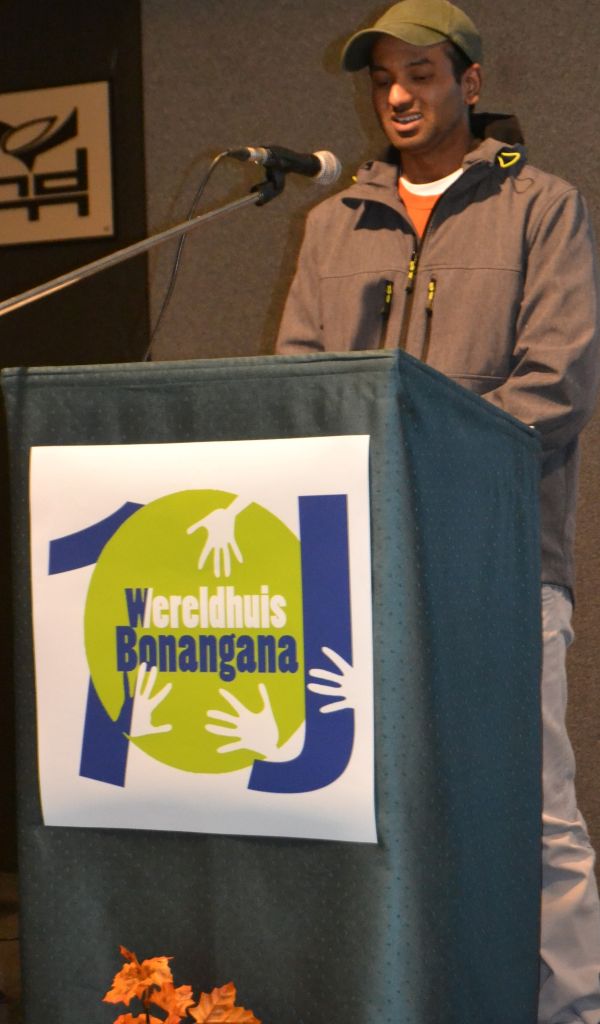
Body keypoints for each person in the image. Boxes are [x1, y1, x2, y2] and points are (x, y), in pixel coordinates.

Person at [275, 1, 600, 1021]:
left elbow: (555, 382)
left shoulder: (541, 207)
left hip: (498, 564)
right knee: (373, 803)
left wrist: (422, 469)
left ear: (470, 81)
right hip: (361, 568)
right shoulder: (333, 223)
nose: (399, 96)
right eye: (383, 79)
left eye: (421, 73)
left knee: (532, 808)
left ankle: (572, 1009)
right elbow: (299, 385)